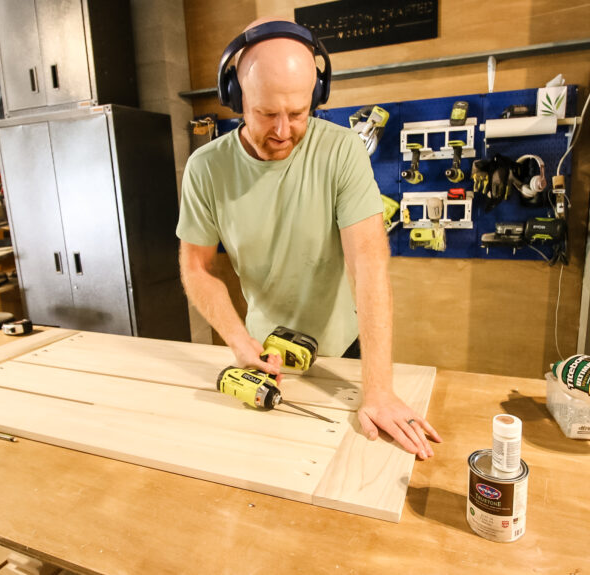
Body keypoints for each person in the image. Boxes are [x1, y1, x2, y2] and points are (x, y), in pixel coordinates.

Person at [175, 19, 441, 459]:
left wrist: (377, 390)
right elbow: (196, 267)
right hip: (266, 353)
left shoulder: (342, 150)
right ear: (235, 97)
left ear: (316, 97)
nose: (282, 131)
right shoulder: (206, 168)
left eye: (298, 114)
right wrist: (240, 342)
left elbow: (369, 265)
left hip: (343, 350)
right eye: (265, 113)